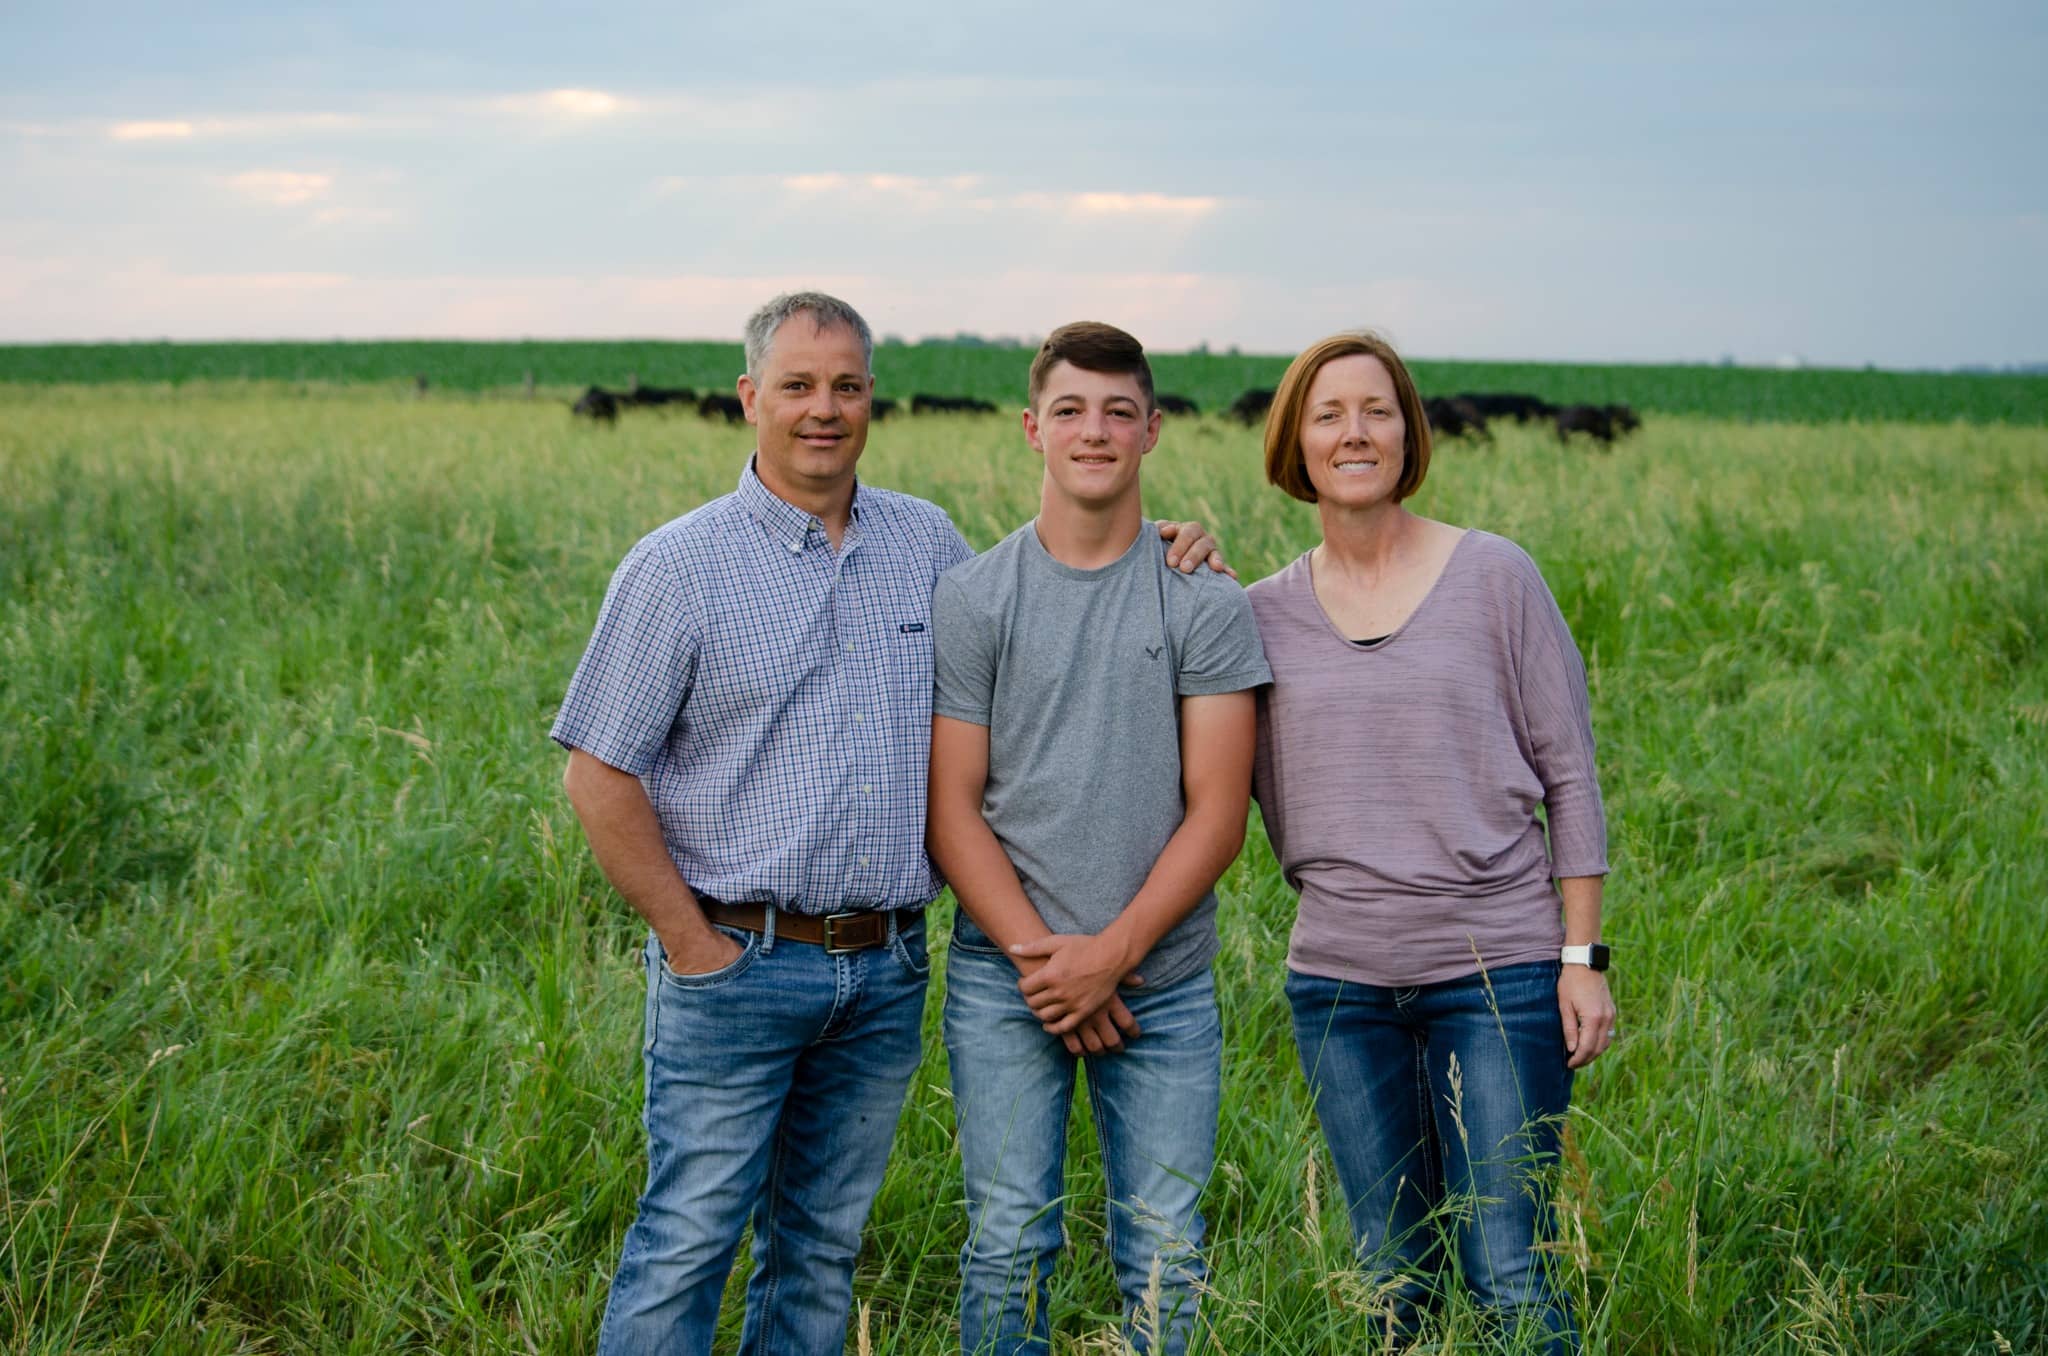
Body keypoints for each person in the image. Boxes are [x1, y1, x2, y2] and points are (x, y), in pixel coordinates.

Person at [552, 292, 1224, 1356]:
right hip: (737, 959)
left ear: (872, 400)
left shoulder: (926, 547)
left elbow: (1057, 595)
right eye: (798, 387)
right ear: (748, 400)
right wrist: (692, 946)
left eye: (847, 387)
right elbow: (597, 775)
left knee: (820, 1245)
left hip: (881, 971)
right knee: (688, 1236)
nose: (824, 410)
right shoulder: (679, 564)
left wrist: (1174, 545)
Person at [1246, 331, 1616, 1353]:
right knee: (1387, 1283)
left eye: (1375, 410)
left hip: (1494, 976)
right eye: (1327, 414)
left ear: (1410, 435)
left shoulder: (1494, 577)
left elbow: (1570, 777)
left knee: (1504, 1267)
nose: (1352, 432)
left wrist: (1580, 960)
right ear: (1294, 442)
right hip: (1338, 990)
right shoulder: (1253, 615)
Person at [927, 321, 1271, 1356]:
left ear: (1152, 431)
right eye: (1070, 410)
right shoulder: (973, 597)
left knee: (1166, 1247)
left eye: (1118, 411)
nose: (1094, 431)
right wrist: (1049, 966)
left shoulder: (1201, 599)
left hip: (1159, 981)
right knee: (1005, 1238)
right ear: (1033, 428)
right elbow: (953, 808)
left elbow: (1218, 814)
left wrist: (1109, 958)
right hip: (1006, 977)